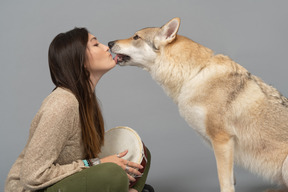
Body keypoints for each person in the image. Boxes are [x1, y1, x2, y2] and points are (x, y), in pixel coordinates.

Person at [5, 27, 153, 192]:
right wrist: (99, 164)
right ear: (80, 60)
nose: (106, 47)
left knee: (141, 155)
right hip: (34, 189)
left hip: (63, 182)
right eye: (96, 44)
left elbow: (84, 160)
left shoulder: (87, 102)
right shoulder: (62, 104)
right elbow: (32, 176)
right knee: (112, 172)